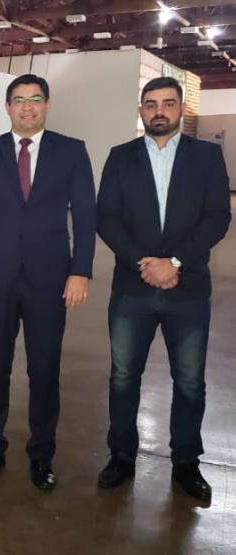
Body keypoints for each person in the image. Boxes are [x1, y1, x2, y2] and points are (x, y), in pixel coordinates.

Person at [0, 74, 96, 490]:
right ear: (7, 107)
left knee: (45, 369)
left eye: (35, 99)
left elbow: (85, 215)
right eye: (19, 100)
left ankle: (41, 453)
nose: (27, 107)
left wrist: (80, 270)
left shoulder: (71, 151)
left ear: (47, 104)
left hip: (50, 280)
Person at [96, 76, 231, 502]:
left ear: (179, 110)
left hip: (187, 288)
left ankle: (186, 462)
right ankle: (121, 457)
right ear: (141, 111)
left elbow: (217, 217)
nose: (159, 111)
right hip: (132, 289)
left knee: (189, 381)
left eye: (168, 103)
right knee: (123, 378)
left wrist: (173, 263)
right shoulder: (120, 157)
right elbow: (107, 217)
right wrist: (145, 263)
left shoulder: (206, 156)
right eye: (151, 104)